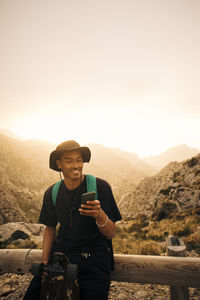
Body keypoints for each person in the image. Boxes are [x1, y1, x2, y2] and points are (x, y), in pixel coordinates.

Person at [23, 140, 122, 300]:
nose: (76, 165)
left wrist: (99, 214)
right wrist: (46, 263)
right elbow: (50, 228)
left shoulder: (100, 187)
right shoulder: (52, 193)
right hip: (61, 256)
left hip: (93, 260)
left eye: (79, 159)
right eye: (69, 161)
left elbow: (111, 233)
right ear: (59, 164)